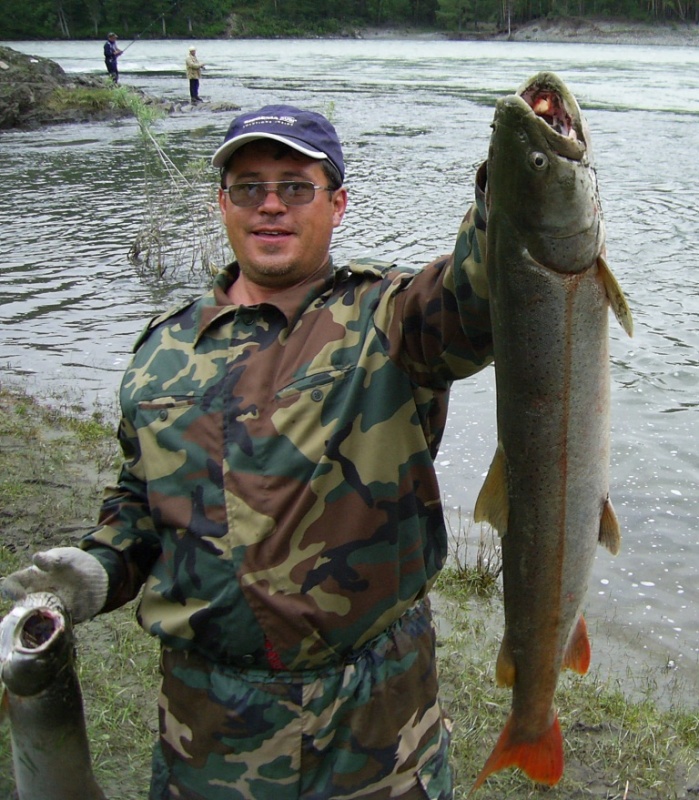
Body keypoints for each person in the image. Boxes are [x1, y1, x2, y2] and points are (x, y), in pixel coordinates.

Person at [1, 104, 492, 800]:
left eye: (295, 186)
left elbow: (487, 291)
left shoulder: (395, 315)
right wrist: (95, 570)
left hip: (377, 717)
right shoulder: (161, 352)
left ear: (338, 202)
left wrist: (519, 177)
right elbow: (140, 505)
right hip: (209, 725)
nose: (270, 206)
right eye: (248, 187)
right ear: (221, 204)